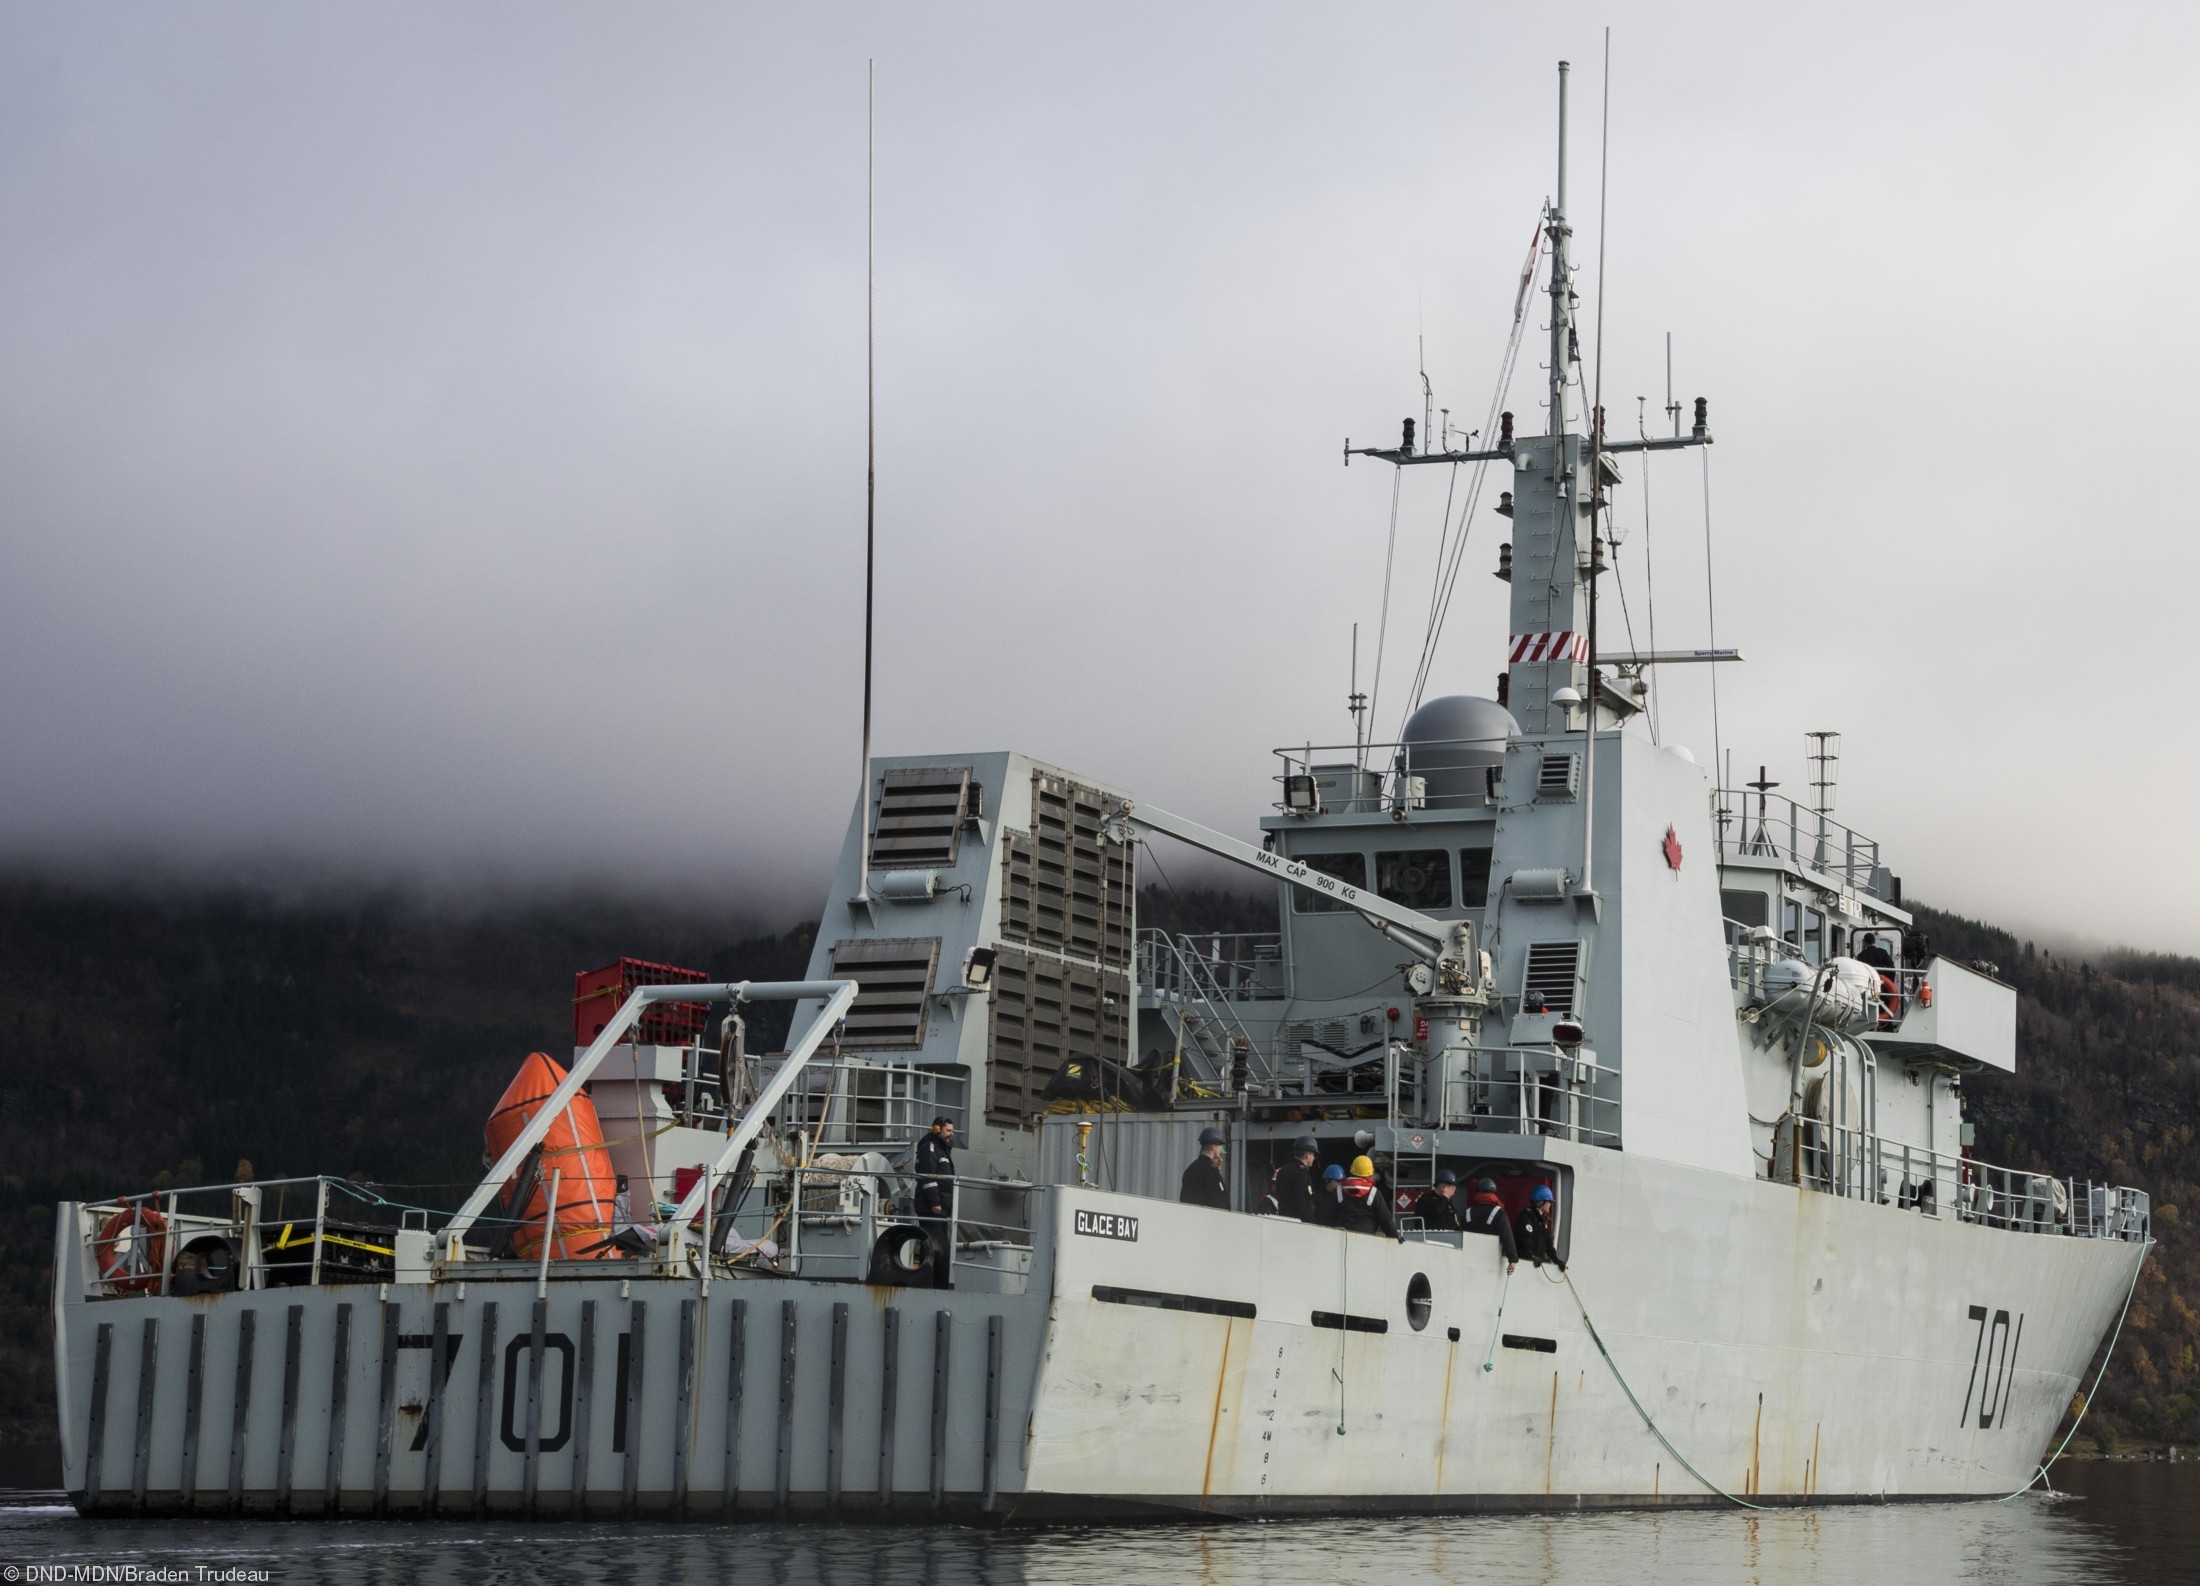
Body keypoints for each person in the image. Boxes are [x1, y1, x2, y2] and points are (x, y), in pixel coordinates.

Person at [914, 1116, 958, 1289]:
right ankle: (927, 1281)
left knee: (940, 1246)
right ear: (937, 1129)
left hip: (942, 1209)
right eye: (948, 1131)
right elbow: (928, 1176)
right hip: (931, 1208)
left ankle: (938, 1282)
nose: (951, 1134)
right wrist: (935, 1202)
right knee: (931, 1244)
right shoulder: (929, 1148)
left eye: (952, 1131)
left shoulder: (942, 1149)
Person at [1331, 1154, 1399, 1239]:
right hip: (1366, 1241)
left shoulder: (1338, 1190)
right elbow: (1386, 1221)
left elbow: (1327, 1217)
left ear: (1352, 1170)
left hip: (1341, 1240)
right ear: (1370, 1173)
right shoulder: (1374, 1193)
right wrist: (1396, 1237)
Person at [1462, 1177, 1517, 1272]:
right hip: (1491, 1261)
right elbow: (1507, 1236)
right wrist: (1513, 1259)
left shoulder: (1468, 1212)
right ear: (1494, 1193)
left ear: (1478, 1192)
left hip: (1468, 1258)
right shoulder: (1499, 1212)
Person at [1261, 1136, 1321, 1221]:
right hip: (1299, 1223)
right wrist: (1310, 1222)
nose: (1314, 1158)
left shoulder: (1283, 1170)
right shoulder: (1301, 1172)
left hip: (1284, 1219)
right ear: (1307, 1155)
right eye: (1313, 1155)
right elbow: (1303, 1203)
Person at [1181, 1126, 1231, 1209]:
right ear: (1213, 1147)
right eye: (1219, 1146)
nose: (1219, 1150)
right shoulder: (1209, 1171)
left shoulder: (1192, 1169)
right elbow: (1216, 1200)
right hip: (1208, 1219)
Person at [1516, 1182, 1563, 1268]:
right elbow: (1524, 1240)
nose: (1550, 1205)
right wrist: (1532, 1257)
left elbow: (1548, 1245)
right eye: (1549, 1202)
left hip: (1535, 1264)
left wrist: (1557, 1260)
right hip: (1525, 1264)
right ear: (1541, 1202)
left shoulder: (1541, 1221)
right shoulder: (1526, 1216)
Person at [1415, 1168, 1465, 1233]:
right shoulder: (1426, 1200)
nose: (1453, 1193)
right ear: (1442, 1187)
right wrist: (1445, 1197)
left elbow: (1455, 1222)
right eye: (1452, 1189)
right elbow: (1436, 1211)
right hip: (1430, 1239)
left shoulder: (1448, 1203)